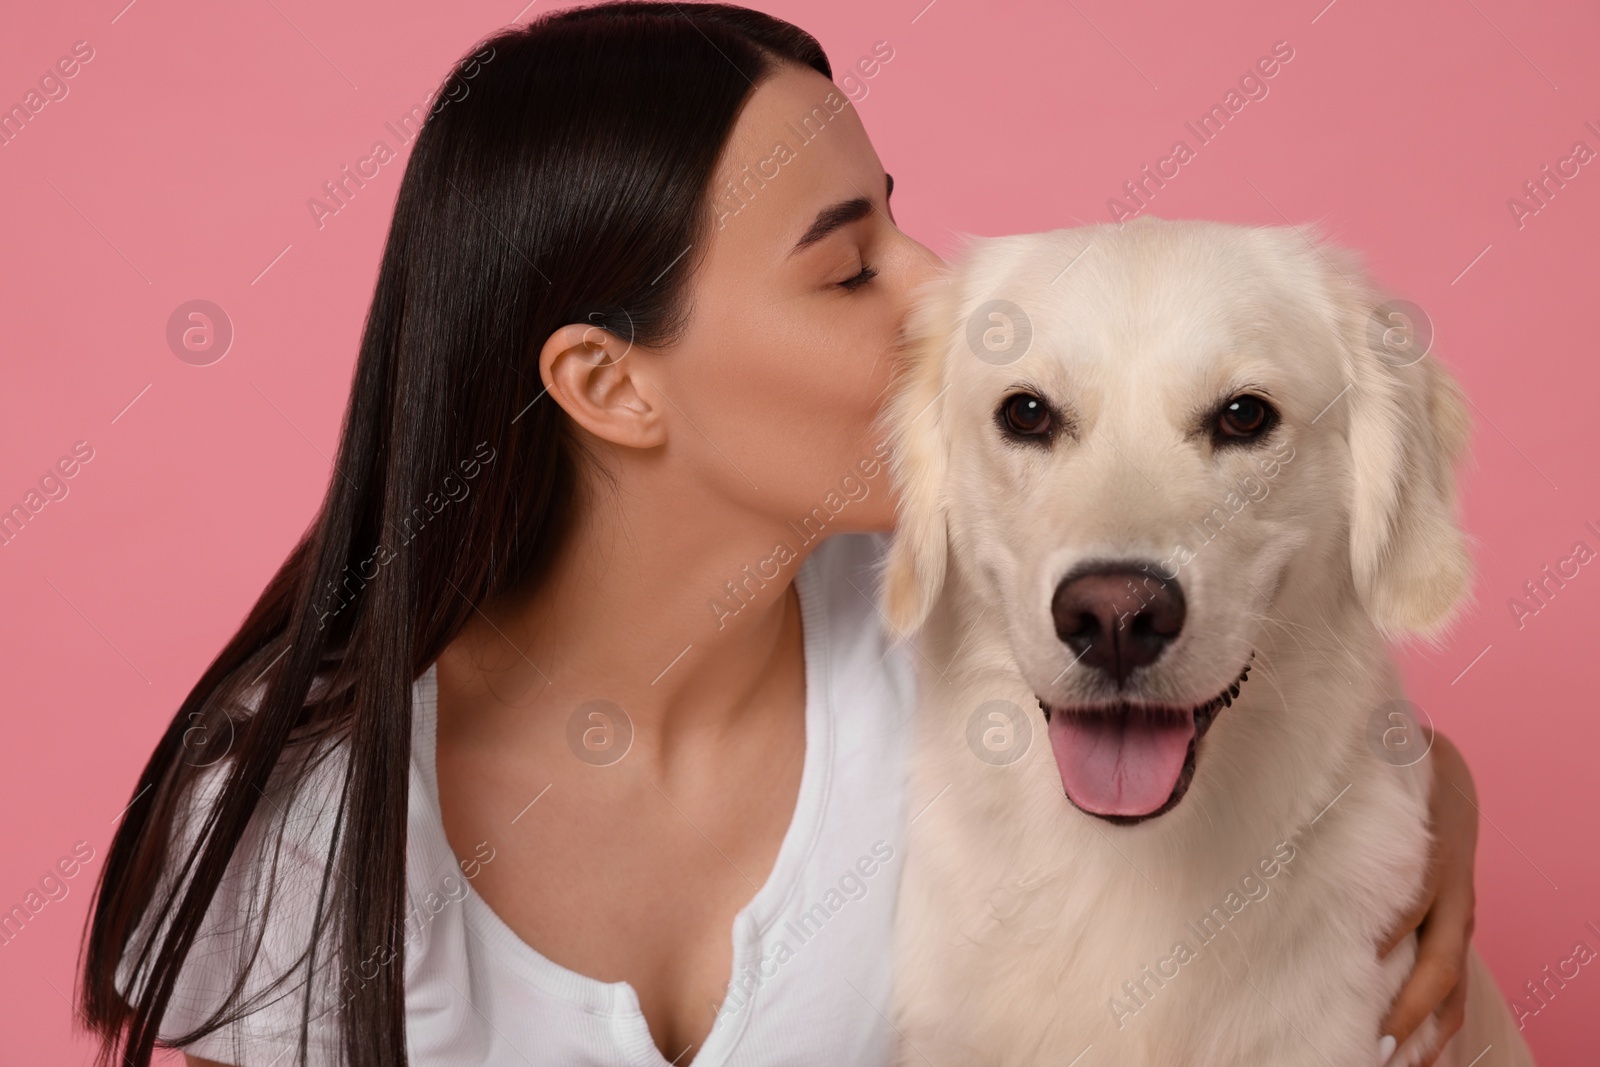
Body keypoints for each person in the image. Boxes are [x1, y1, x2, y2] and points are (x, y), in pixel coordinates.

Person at [79, 4, 1484, 1066]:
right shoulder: (302, 830)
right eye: (850, 262)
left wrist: (1435, 801)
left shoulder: (954, 637)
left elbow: (1274, 710)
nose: (942, 288)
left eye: (903, 219)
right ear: (610, 384)